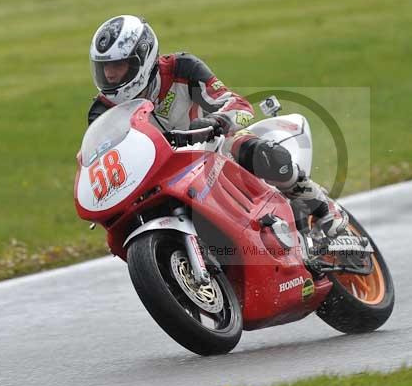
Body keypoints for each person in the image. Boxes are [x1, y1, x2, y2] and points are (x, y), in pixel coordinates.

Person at [87, 14, 348, 238]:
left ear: (142, 58)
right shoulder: (102, 111)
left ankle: (323, 209)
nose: (109, 75)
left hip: (210, 149)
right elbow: (105, 159)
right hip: (156, 177)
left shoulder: (182, 68)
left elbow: (240, 106)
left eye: (118, 65)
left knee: (254, 150)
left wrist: (217, 121)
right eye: (104, 67)